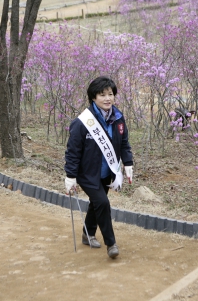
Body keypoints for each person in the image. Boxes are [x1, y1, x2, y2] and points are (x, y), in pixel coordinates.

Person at [64, 76, 134, 259]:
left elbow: (124, 143)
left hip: (107, 172)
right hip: (87, 174)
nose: (107, 98)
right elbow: (73, 151)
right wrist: (70, 176)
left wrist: (128, 163)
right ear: (93, 97)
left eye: (110, 94)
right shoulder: (82, 122)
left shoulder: (118, 118)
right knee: (103, 203)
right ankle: (111, 244)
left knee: (97, 204)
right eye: (102, 95)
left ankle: (88, 233)